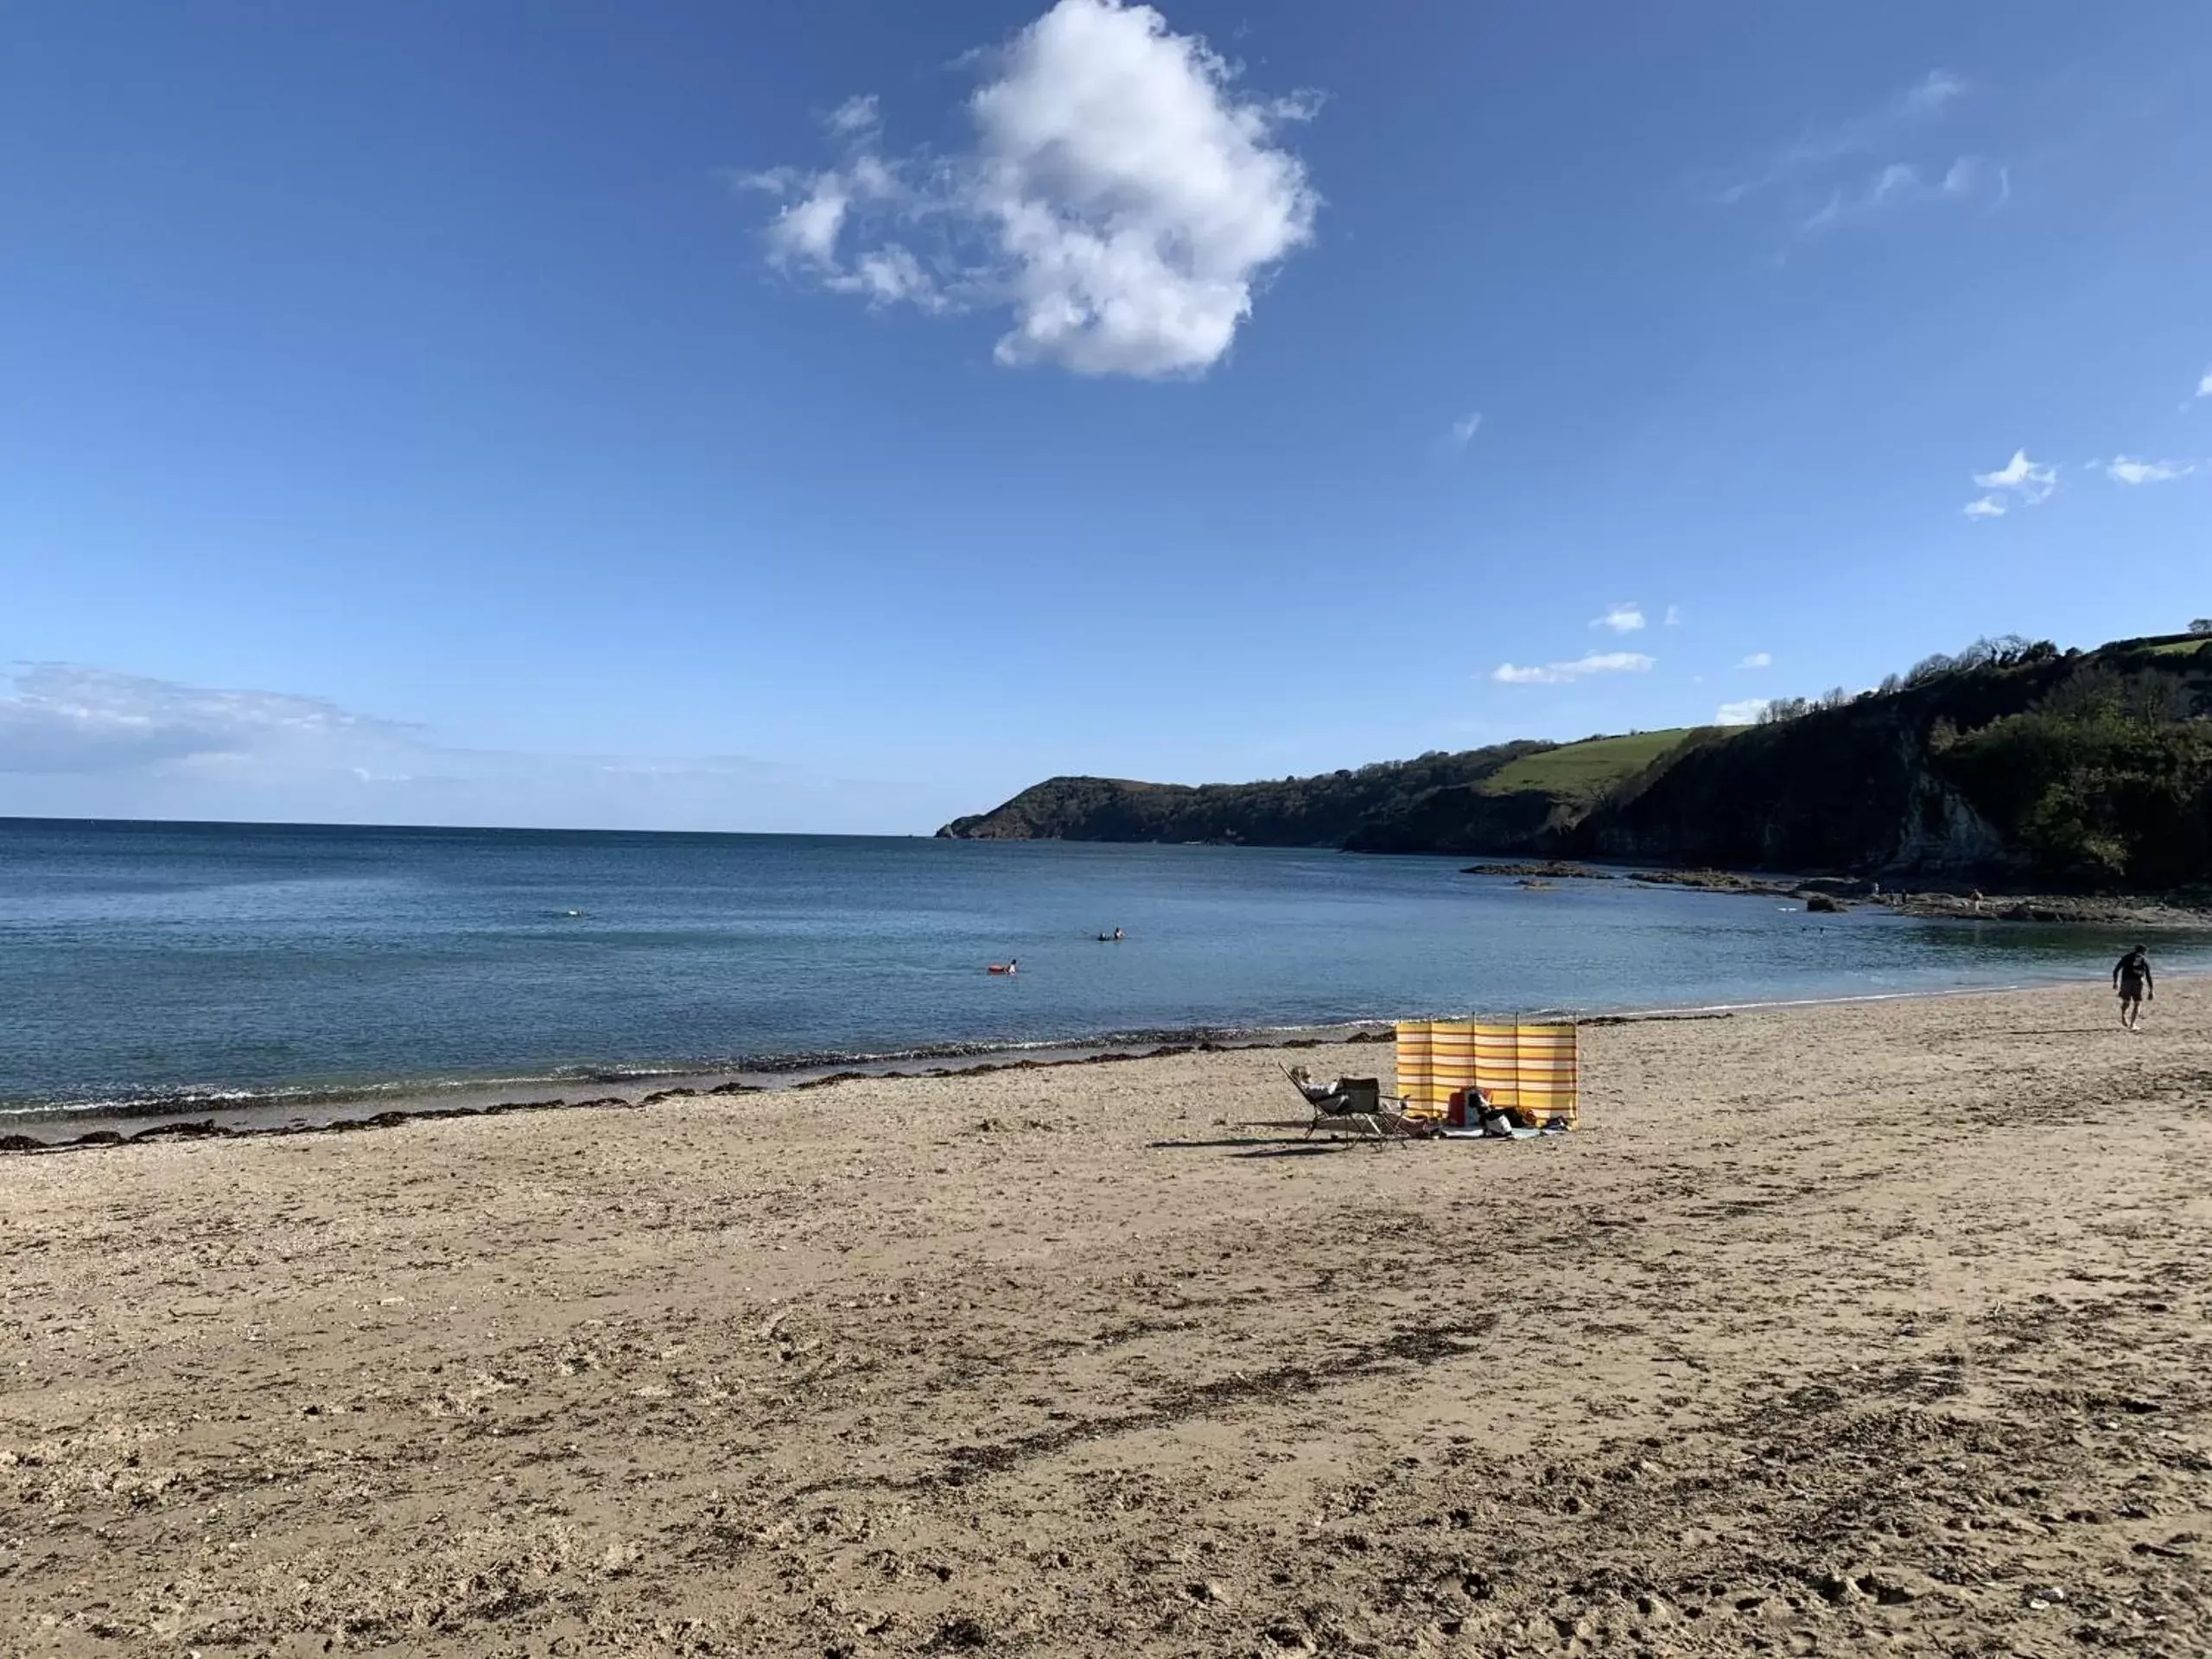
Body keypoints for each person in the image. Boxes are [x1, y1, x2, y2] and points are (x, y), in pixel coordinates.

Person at [2113, 944, 2153, 1031]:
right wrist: (2151, 990)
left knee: (2126, 1001)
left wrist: (2115, 982)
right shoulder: (2144, 960)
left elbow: (2116, 970)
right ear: (2143, 951)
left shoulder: (2126, 957)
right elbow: (2148, 976)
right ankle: (2132, 1024)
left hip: (2125, 982)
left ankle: (2123, 1016)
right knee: (2137, 1003)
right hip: (2137, 983)